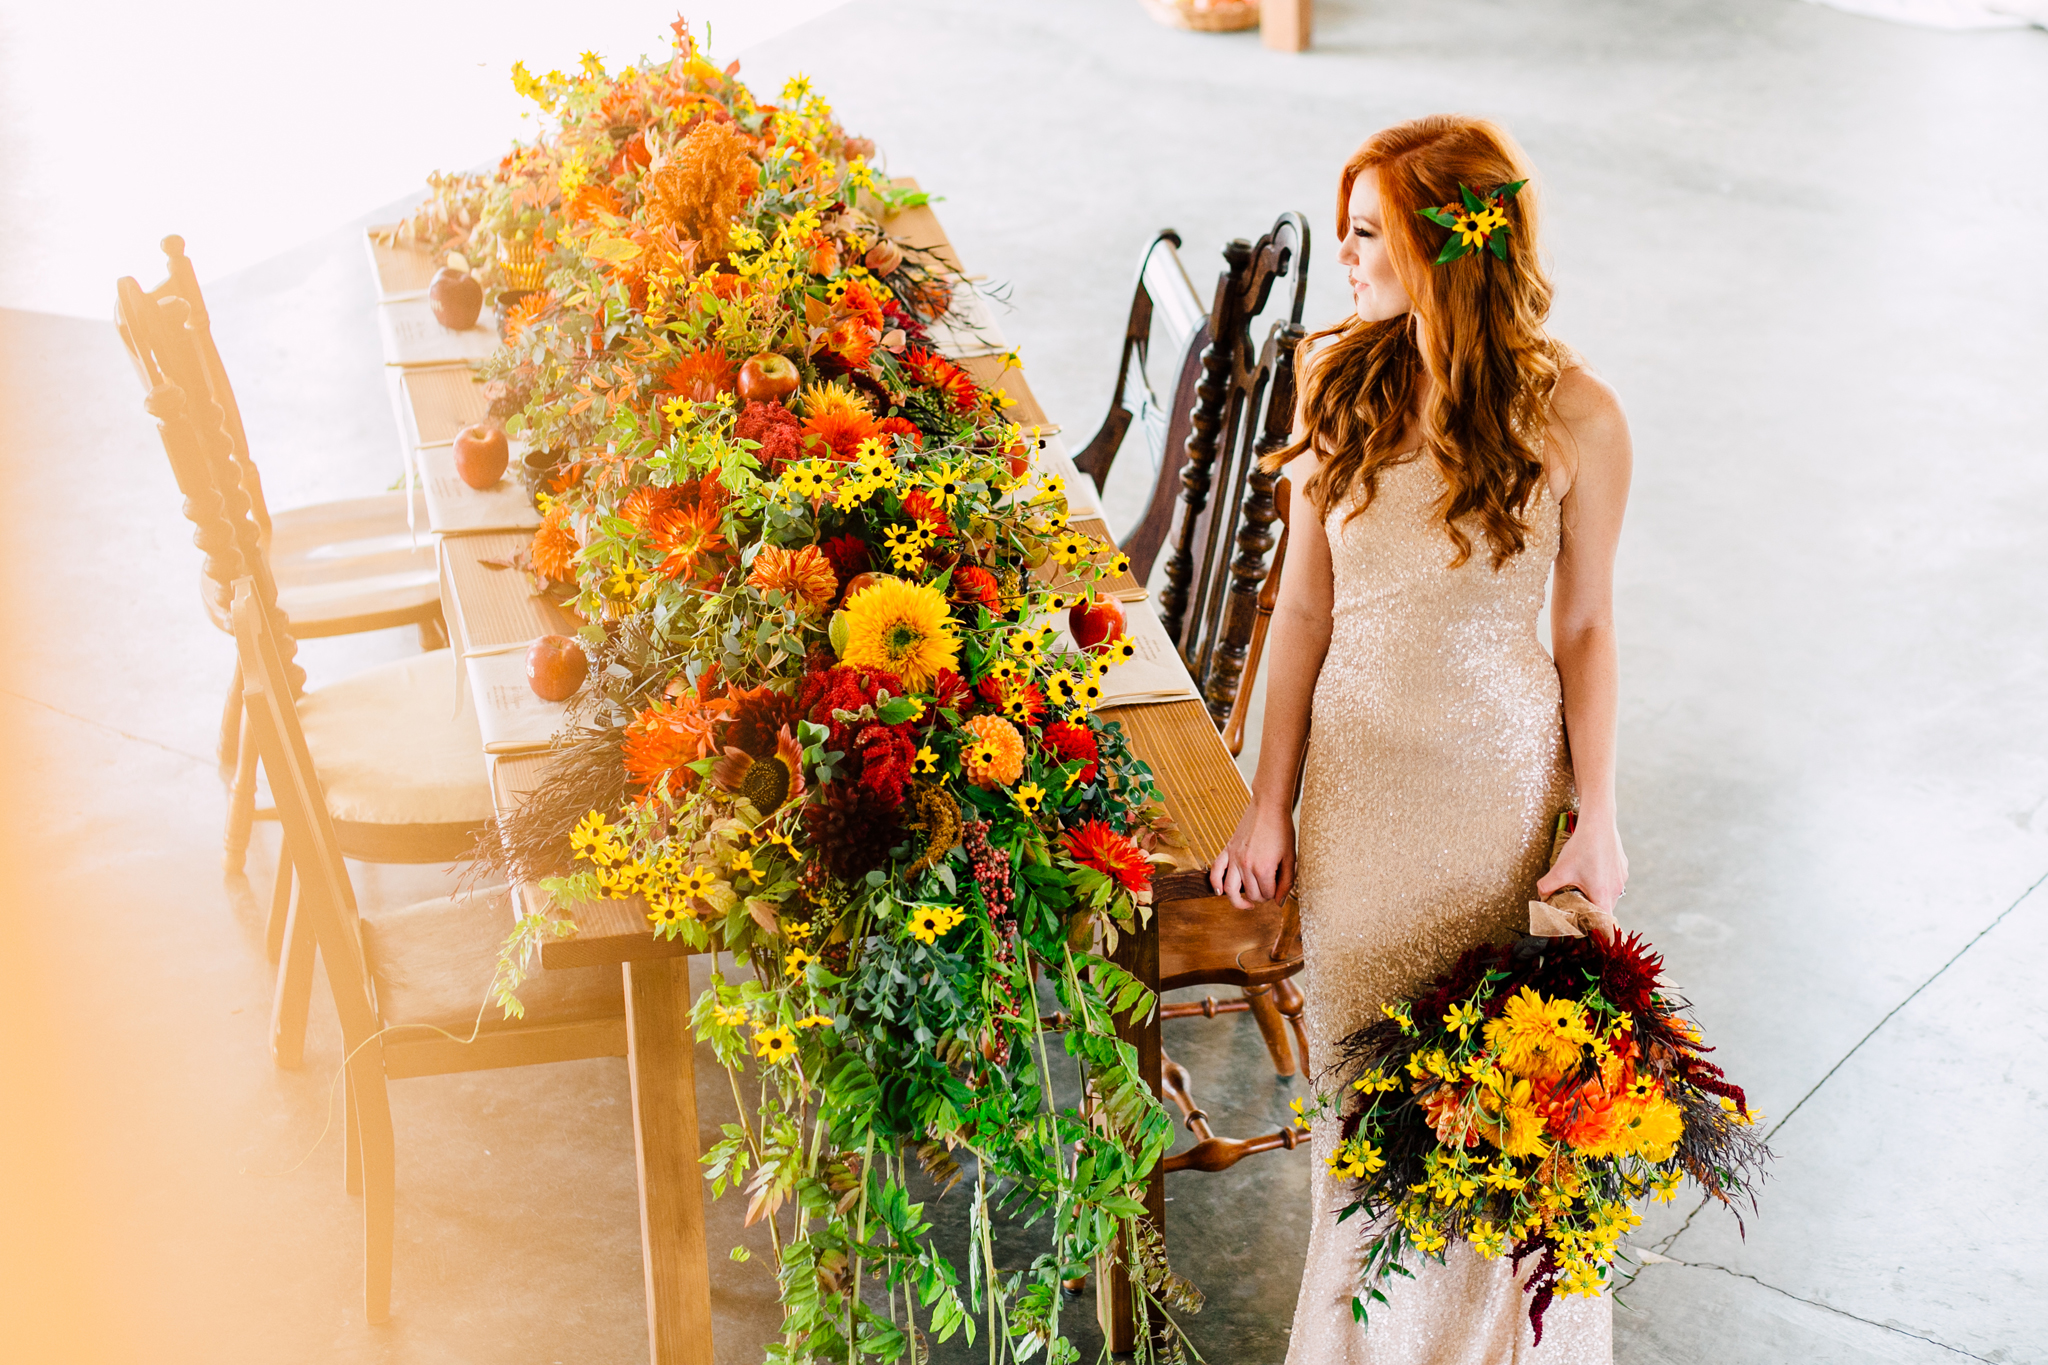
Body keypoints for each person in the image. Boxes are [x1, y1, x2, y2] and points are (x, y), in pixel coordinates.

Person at [1210, 114, 1633, 1363]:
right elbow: (1298, 611)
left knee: (1501, 1133)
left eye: (1365, 237)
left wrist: (1596, 811)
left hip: (1493, 817)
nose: (1344, 260)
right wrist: (1264, 800)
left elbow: (1589, 630)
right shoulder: (1329, 377)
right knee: (1368, 1127)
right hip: (1357, 813)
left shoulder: (1581, 418)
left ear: (1439, 251)